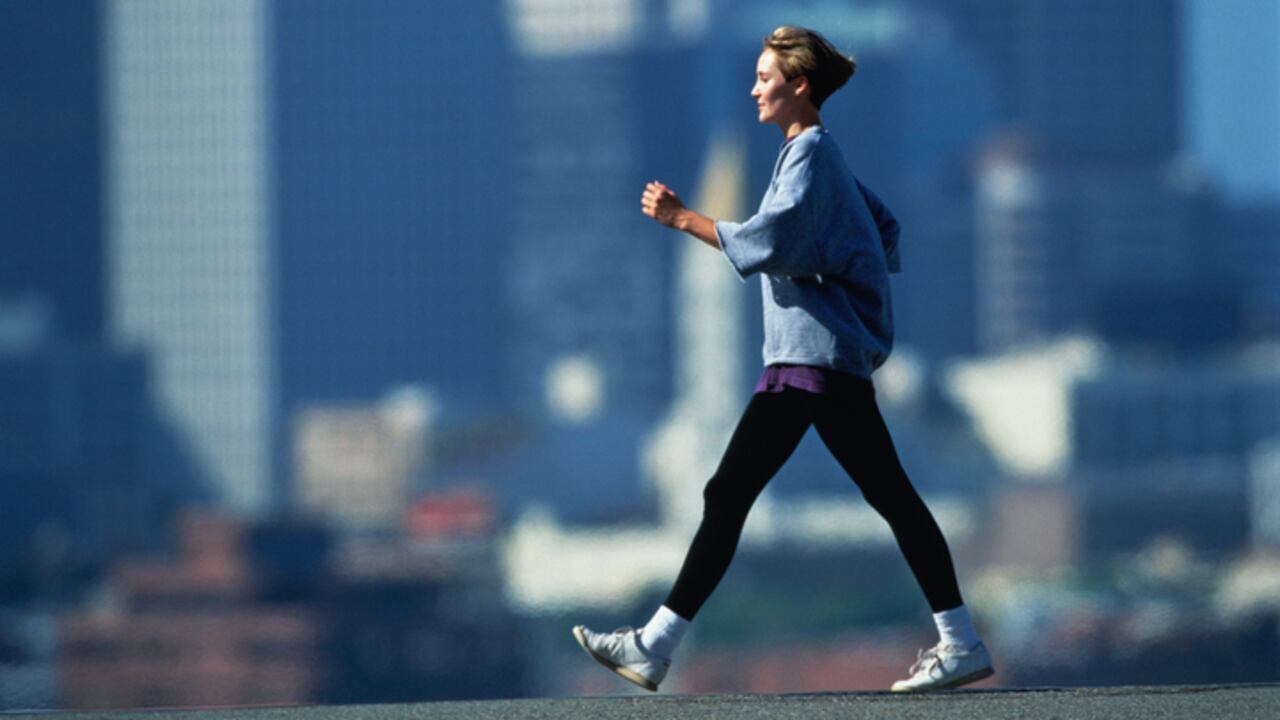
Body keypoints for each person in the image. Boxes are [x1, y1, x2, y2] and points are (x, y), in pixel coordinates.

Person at [572, 25, 994, 693]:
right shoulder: (814, 156)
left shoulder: (810, 157)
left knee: (730, 494)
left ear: (799, 86)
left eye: (766, 79)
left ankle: (653, 645)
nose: (754, 89)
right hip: (822, 359)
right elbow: (879, 227)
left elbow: (776, 238)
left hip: (808, 364)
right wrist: (848, 278)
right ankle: (960, 640)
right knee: (887, 498)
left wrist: (684, 219)